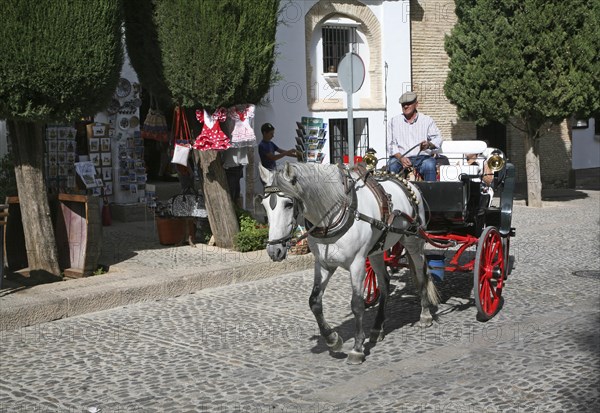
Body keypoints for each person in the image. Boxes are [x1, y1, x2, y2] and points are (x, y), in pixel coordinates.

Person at [387, 91, 443, 181]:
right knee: (392, 165)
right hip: (400, 158)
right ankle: (390, 194)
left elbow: (437, 138)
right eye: (403, 104)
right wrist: (401, 158)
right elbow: (391, 144)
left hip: (422, 158)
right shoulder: (393, 122)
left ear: (416, 104)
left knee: (429, 165)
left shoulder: (427, 120)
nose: (405, 106)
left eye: (409, 104)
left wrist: (428, 144)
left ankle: (431, 193)